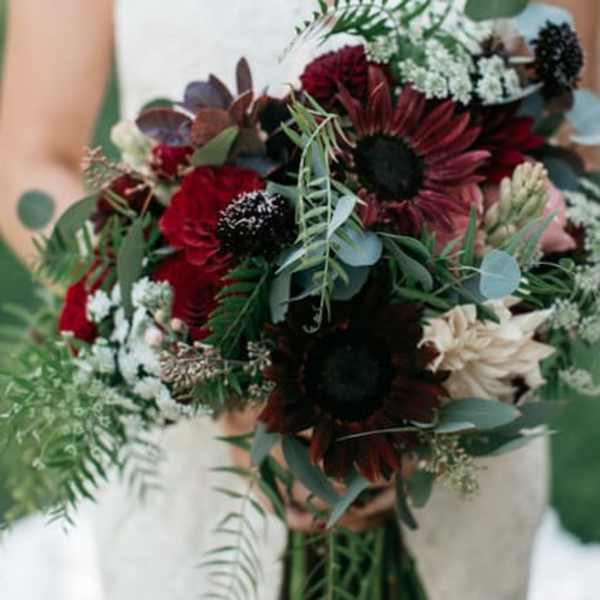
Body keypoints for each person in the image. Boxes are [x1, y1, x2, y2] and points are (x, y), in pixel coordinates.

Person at [0, 1, 597, 599]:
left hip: (461, 412)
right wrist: (190, 346)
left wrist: (450, 372)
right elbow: (30, 162)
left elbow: (578, 137)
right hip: (197, 451)